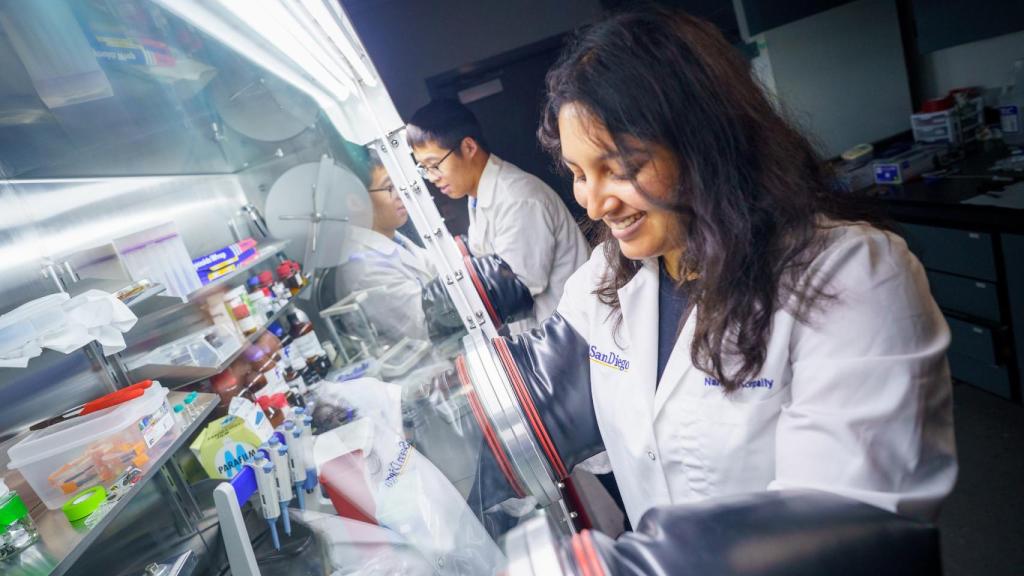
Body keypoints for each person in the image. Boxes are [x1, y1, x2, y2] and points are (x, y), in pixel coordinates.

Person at [484, 8, 956, 529]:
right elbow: (535, 399)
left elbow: (840, 523)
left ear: (706, 146)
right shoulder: (612, 272)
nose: (594, 206)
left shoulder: (851, 274)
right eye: (578, 174)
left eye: (621, 169)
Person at [407, 99, 590, 330]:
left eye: (434, 164)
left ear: (469, 148)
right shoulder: (477, 197)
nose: (432, 177)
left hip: (574, 335)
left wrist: (435, 315)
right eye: (423, 169)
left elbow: (513, 287)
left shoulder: (517, 199)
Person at [333, 151, 435, 344]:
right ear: (356, 201)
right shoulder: (364, 268)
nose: (401, 194)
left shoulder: (391, 237)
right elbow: (426, 324)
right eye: (389, 187)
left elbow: (434, 268)